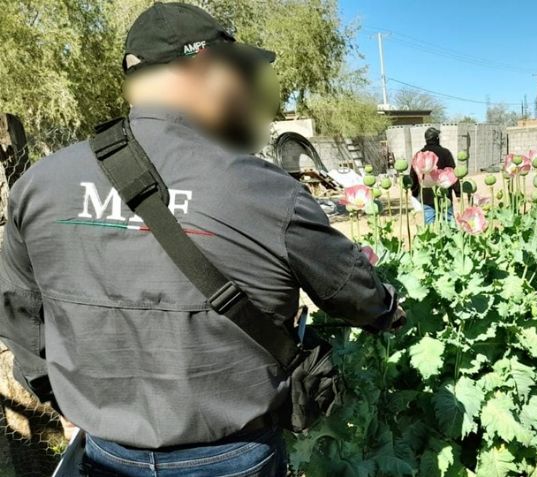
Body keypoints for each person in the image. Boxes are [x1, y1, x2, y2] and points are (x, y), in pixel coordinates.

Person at [0, 3, 403, 476]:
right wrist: (389, 310)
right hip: (234, 457)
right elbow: (355, 295)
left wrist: (63, 396)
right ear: (203, 67)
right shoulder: (265, 190)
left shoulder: (39, 184)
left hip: (106, 454)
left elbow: (17, 312)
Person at [409, 127, 461, 224]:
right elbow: (453, 174)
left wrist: (415, 192)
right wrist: (458, 193)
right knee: (449, 221)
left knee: (429, 223)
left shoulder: (419, 154)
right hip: (445, 193)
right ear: (437, 138)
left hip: (427, 194)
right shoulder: (445, 153)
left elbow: (413, 175)